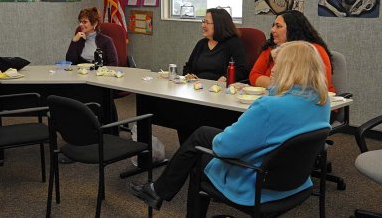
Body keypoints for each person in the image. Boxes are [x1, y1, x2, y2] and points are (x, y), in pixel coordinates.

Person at [129, 41, 331, 217]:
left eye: (277, 65)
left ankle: (160, 192)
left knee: (200, 154)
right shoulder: (322, 101)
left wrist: (228, 134)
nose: (273, 70)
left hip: (258, 181)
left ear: (290, 70)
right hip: (295, 180)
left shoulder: (269, 107)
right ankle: (157, 190)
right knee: (203, 133)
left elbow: (225, 148)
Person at [249, 10, 335, 92]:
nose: (272, 30)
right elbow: (254, 76)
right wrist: (282, 85)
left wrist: (276, 84)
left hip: (313, 102)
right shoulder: (271, 48)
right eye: (273, 25)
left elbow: (320, 85)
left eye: (278, 26)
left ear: (292, 29)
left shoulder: (313, 51)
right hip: (277, 98)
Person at [182, 8, 248, 82]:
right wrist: (189, 75)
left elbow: (242, 70)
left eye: (207, 22)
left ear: (219, 25)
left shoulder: (233, 43)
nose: (203, 25)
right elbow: (188, 67)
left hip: (220, 88)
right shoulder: (201, 43)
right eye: (203, 21)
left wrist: (225, 78)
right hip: (198, 87)